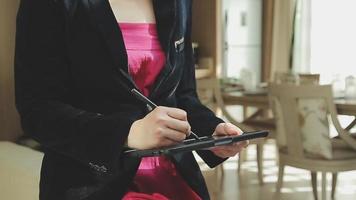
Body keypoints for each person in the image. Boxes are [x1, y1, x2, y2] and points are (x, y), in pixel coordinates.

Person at [15, 0, 248, 199]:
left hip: (174, 180)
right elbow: (37, 110)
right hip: (92, 183)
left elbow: (182, 95)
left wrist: (212, 131)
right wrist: (127, 133)